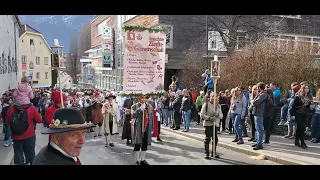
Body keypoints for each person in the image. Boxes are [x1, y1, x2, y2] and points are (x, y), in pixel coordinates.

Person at [5, 96, 42, 165]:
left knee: (18, 152)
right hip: (29, 135)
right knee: (31, 152)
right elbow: (39, 120)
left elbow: (7, 121)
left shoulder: (11, 108)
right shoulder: (31, 108)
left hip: (16, 136)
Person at [131, 95, 154, 165]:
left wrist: (152, 127)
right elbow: (133, 115)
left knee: (145, 144)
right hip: (138, 127)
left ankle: (142, 159)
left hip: (147, 127)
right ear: (139, 98)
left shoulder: (149, 106)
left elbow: (151, 117)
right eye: (142, 98)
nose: (143, 99)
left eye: (145, 98)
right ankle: (137, 160)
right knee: (138, 144)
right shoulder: (134, 106)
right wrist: (140, 109)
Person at [290, 84, 315, 149]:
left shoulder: (310, 96)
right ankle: (302, 142)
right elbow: (293, 106)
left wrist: (311, 105)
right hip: (298, 113)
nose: (307, 90)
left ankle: (296, 141)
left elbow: (309, 106)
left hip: (305, 113)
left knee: (300, 127)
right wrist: (292, 115)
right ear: (302, 89)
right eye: (305, 88)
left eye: (307, 88)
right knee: (301, 127)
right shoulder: (298, 96)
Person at [200, 93, 223, 159]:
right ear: (210, 97)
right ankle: (206, 152)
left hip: (215, 124)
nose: (214, 98)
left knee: (215, 139)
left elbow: (221, 116)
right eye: (212, 96)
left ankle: (213, 152)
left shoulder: (218, 106)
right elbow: (202, 114)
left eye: (215, 96)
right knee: (207, 138)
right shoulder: (206, 104)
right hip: (208, 124)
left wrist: (217, 115)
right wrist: (209, 118)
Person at [251, 82, 268, 150]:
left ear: (259, 87)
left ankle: (260, 144)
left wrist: (252, 101)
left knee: (259, 129)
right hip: (256, 113)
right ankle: (258, 141)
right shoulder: (260, 94)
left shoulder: (263, 95)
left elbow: (255, 102)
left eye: (257, 87)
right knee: (257, 128)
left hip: (259, 113)